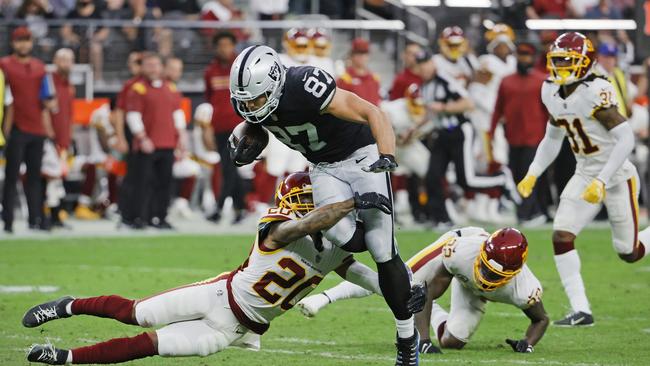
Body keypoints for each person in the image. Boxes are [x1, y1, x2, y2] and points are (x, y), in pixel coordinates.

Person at [22, 173, 419, 364]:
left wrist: (399, 290)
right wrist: (351, 204)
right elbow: (307, 224)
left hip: (232, 330)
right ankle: (67, 306)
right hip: (219, 295)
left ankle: (66, 358)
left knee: (151, 346)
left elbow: (367, 275)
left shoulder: (335, 247)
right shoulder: (278, 228)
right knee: (136, 312)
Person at [229, 45, 420, 365]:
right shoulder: (250, 101)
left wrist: (386, 155)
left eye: (257, 99)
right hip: (322, 167)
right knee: (347, 240)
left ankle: (407, 338)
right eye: (245, 101)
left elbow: (373, 112)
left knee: (380, 247)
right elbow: (256, 124)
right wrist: (245, 138)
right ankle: (408, 277)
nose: (250, 107)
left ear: (274, 83)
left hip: (361, 156)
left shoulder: (306, 85)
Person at [517, 32, 650, 327]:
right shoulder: (550, 90)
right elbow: (552, 138)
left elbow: (625, 139)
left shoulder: (596, 90)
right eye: (558, 60)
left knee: (629, 252)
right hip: (584, 171)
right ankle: (581, 310)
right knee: (561, 235)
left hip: (616, 175)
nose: (562, 66)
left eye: (568, 60)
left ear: (586, 62)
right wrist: (533, 173)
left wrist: (602, 179)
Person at [298, 227, 548, 354]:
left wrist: (527, 343)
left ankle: (428, 311)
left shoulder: (525, 289)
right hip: (454, 257)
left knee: (453, 342)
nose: (485, 274)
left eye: (495, 274)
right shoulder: (460, 252)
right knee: (401, 280)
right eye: (484, 265)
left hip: (469, 282)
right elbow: (427, 289)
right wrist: (424, 341)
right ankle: (325, 297)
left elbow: (541, 319)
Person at [406, 51, 518, 229]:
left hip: (459, 132)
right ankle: (441, 219)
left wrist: (443, 106)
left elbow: (468, 103)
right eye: (419, 66)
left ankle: (501, 179)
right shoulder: (425, 86)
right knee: (432, 176)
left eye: (425, 63)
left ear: (432, 63)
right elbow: (430, 114)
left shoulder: (444, 79)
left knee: (466, 180)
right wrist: (413, 129)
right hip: (441, 133)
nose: (423, 69)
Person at [122, 52, 187, 229]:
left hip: (167, 143)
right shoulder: (138, 88)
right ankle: (139, 218)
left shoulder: (171, 88)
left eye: (156, 65)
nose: (153, 68)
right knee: (143, 183)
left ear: (161, 67)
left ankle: (160, 217)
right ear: (142, 68)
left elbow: (177, 114)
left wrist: (181, 136)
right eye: (149, 65)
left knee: (165, 184)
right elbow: (132, 116)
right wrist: (142, 138)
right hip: (147, 145)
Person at [1, 27, 55, 233]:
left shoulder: (40, 68)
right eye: (19, 41)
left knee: (34, 178)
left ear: (31, 43)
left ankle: (36, 219)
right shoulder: (4, 65)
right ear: (13, 43)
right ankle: (8, 221)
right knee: (11, 176)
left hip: (37, 129)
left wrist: (48, 126)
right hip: (15, 128)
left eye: (27, 41)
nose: (23, 45)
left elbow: (47, 100)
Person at [490, 42, 549, 226]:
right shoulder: (506, 81)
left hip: (535, 137)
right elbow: (498, 108)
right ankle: (528, 212)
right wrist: (491, 132)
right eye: (521, 55)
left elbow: (549, 110)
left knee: (529, 174)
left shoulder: (541, 81)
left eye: (527, 55)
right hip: (513, 137)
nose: (524, 58)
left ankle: (527, 214)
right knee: (516, 175)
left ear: (533, 57)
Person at [203, 31, 247, 223]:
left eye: (227, 45)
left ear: (234, 46)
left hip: (238, 127)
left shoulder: (240, 69)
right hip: (219, 128)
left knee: (229, 168)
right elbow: (209, 100)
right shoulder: (210, 71)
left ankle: (219, 209)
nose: (224, 49)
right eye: (220, 45)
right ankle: (240, 208)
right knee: (230, 168)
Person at [43, 48, 76, 228]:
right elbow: (44, 108)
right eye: (62, 59)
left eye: (69, 60)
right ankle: (48, 216)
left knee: (57, 179)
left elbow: (69, 115)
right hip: (49, 138)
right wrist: (49, 133)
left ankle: (55, 216)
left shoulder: (69, 85)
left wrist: (68, 138)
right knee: (50, 176)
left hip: (63, 139)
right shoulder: (49, 81)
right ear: (55, 61)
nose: (66, 63)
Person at [337, 38, 381, 106]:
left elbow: (377, 102)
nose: (361, 56)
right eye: (358, 53)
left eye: (364, 53)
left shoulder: (375, 78)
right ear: (352, 56)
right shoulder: (344, 79)